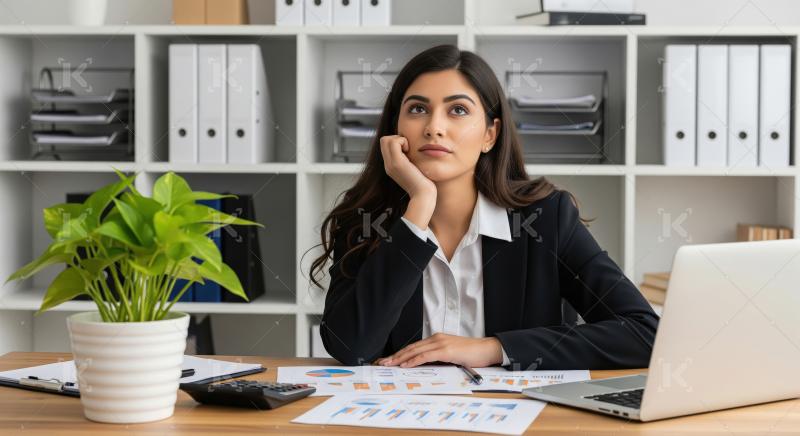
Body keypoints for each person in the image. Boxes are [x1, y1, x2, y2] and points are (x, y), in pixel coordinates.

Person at [308, 44, 659, 370]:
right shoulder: (366, 219)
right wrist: (419, 205)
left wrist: (493, 348)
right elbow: (350, 346)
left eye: (458, 110)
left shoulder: (547, 218)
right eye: (417, 109)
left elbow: (644, 333)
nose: (434, 128)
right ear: (396, 130)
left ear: (490, 134)